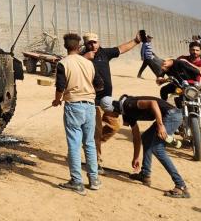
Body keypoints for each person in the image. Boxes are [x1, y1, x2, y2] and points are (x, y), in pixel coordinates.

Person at [51, 33, 104, 194]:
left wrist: (57, 100)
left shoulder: (63, 63)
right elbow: (100, 85)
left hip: (73, 106)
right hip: (90, 106)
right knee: (89, 143)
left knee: (74, 143)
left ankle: (76, 182)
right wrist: (87, 89)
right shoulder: (88, 63)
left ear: (66, 46)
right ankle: (94, 180)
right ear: (79, 46)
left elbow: (60, 86)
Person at [112, 95, 190, 198]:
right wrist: (136, 157)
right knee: (146, 137)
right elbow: (136, 137)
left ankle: (181, 186)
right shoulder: (126, 114)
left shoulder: (129, 104)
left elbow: (153, 103)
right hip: (167, 116)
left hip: (172, 115)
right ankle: (145, 175)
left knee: (158, 148)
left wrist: (160, 125)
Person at [81, 31, 141, 166]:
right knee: (96, 131)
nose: (92, 45)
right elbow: (70, 64)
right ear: (85, 44)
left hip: (107, 101)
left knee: (115, 126)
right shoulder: (81, 57)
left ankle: (91, 145)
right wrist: (85, 58)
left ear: (98, 42)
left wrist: (136, 41)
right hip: (92, 101)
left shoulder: (104, 53)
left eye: (94, 42)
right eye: (89, 43)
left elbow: (121, 49)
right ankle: (96, 159)